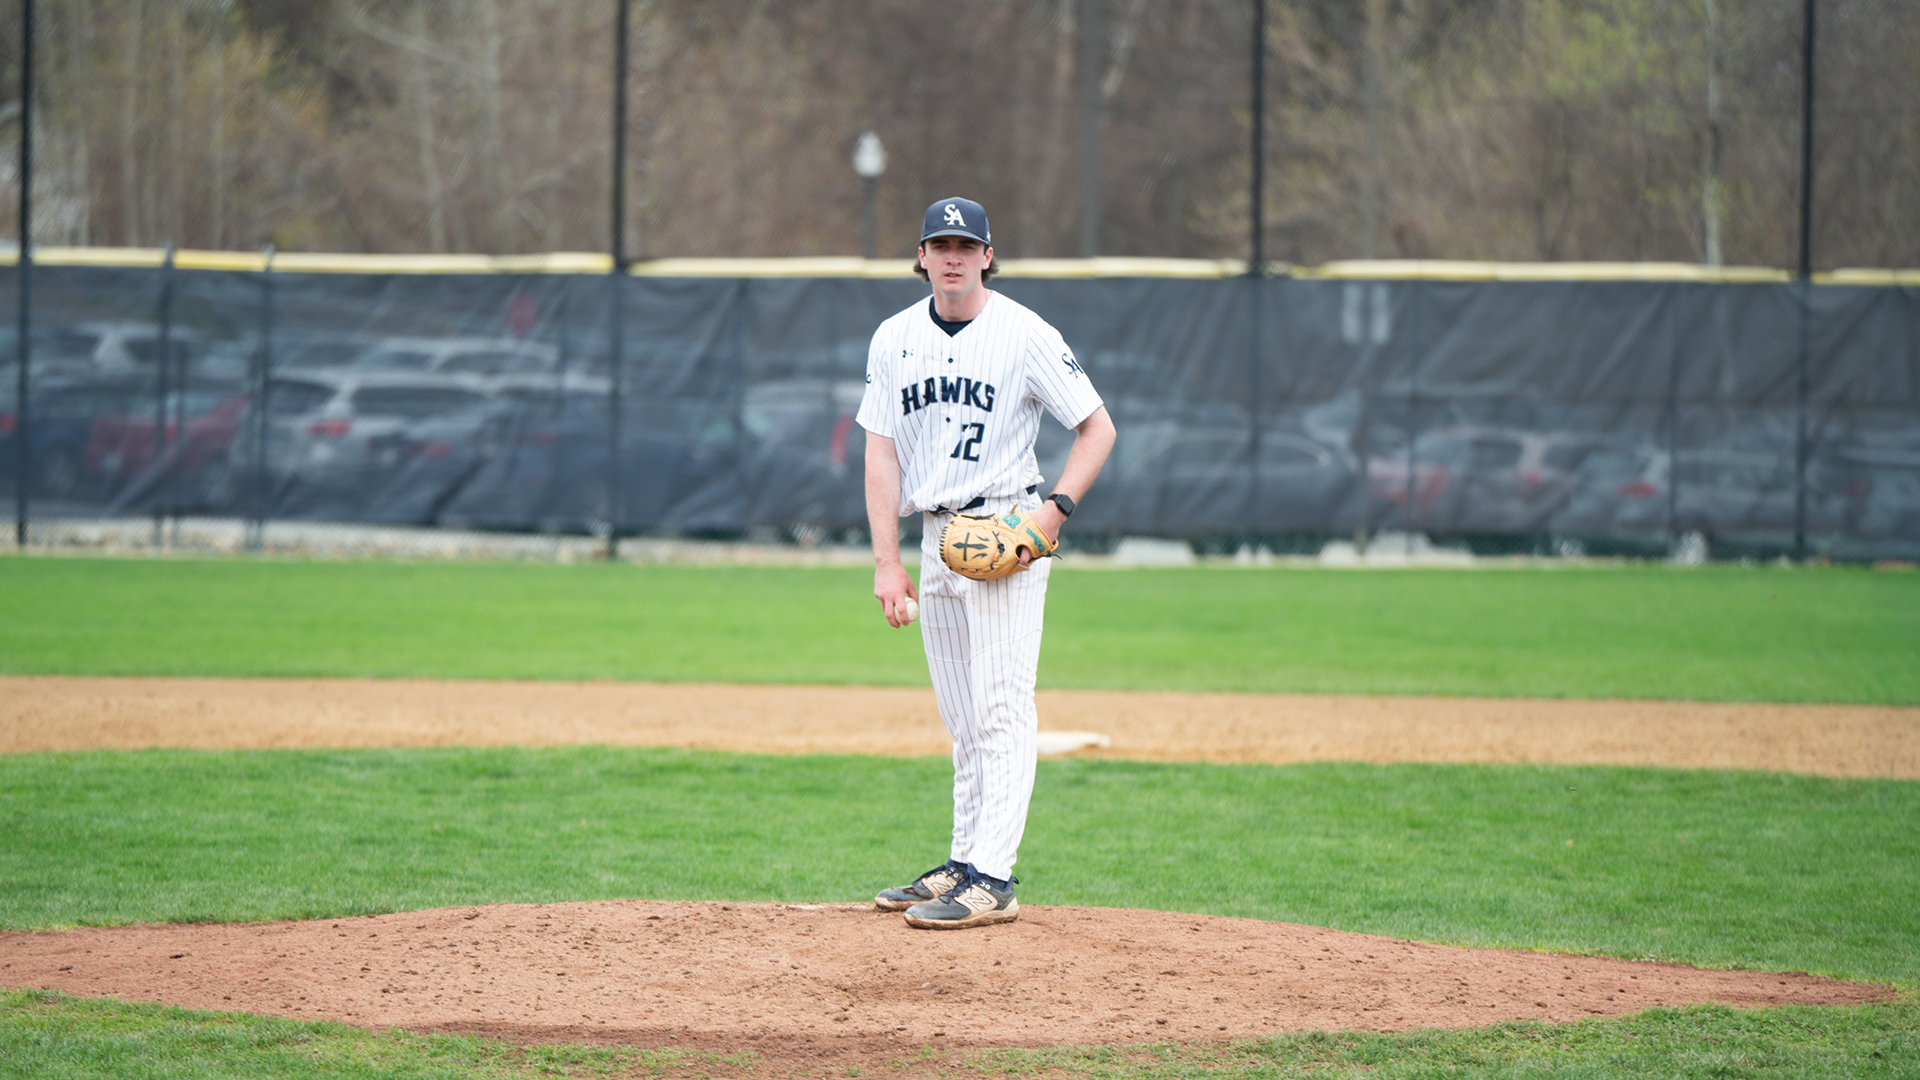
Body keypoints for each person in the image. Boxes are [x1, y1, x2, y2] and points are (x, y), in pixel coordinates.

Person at [856, 196, 1116, 930]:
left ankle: (993, 878)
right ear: (921, 255)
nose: (952, 257)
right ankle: (965, 860)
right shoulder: (894, 338)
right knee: (964, 718)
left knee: (1003, 708)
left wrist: (1052, 513)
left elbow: (1097, 428)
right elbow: (880, 453)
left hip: (1007, 529)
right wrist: (886, 563)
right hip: (937, 538)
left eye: (966, 245)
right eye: (940, 244)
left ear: (988, 256)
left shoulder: (1024, 333)